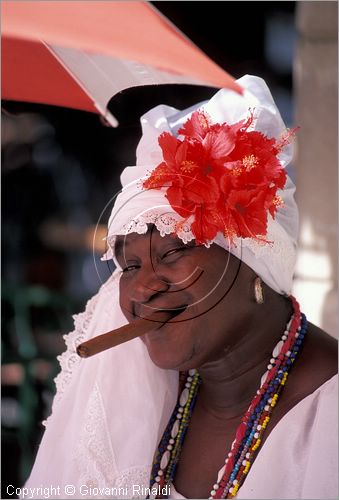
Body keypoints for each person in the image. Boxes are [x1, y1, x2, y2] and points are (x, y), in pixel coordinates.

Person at [24, 75, 337, 499]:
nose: (142, 288)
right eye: (129, 264)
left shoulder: (328, 417)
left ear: (255, 265)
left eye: (173, 253)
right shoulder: (142, 395)